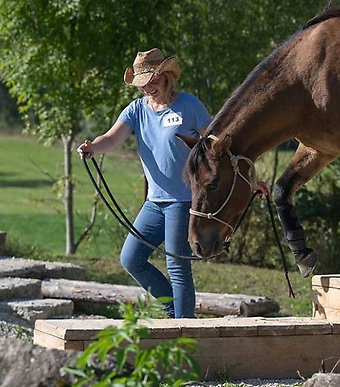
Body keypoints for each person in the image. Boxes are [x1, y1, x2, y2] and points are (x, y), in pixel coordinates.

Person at [77, 48, 267, 318]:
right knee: (131, 259)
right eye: (142, 84)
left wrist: (249, 180)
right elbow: (111, 138)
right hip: (155, 201)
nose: (148, 88)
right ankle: (174, 311)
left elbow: (220, 150)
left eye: (152, 81)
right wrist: (93, 147)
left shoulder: (189, 106)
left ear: (166, 77)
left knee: (176, 266)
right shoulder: (136, 110)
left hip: (185, 201)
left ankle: (184, 327)